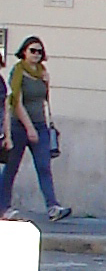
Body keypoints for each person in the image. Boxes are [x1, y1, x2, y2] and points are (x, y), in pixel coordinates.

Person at [0, 37, 72, 220]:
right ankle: (3, 207)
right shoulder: (18, 71)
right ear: (24, 51)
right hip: (19, 126)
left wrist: (47, 83)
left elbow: (44, 100)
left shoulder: (41, 71)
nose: (36, 54)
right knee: (11, 168)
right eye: (33, 50)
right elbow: (16, 101)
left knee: (44, 166)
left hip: (41, 125)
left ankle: (53, 206)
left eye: (40, 51)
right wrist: (29, 127)